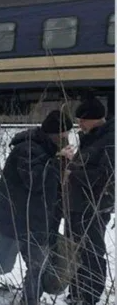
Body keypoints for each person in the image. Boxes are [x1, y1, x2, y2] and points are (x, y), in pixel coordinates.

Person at [0, 110, 73, 305]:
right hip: (13, 221)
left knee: (36, 268)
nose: (66, 140)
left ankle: (30, 301)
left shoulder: (52, 152)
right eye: (64, 136)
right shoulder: (26, 149)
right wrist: (58, 162)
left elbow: (55, 192)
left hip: (39, 224)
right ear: (54, 134)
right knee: (3, 265)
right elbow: (35, 181)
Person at [61, 96, 114, 305]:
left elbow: (104, 175)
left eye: (81, 120)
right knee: (75, 251)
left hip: (93, 206)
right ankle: (76, 294)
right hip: (77, 204)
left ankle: (88, 297)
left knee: (91, 252)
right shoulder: (92, 137)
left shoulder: (110, 140)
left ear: (93, 119)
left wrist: (72, 171)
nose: (79, 125)